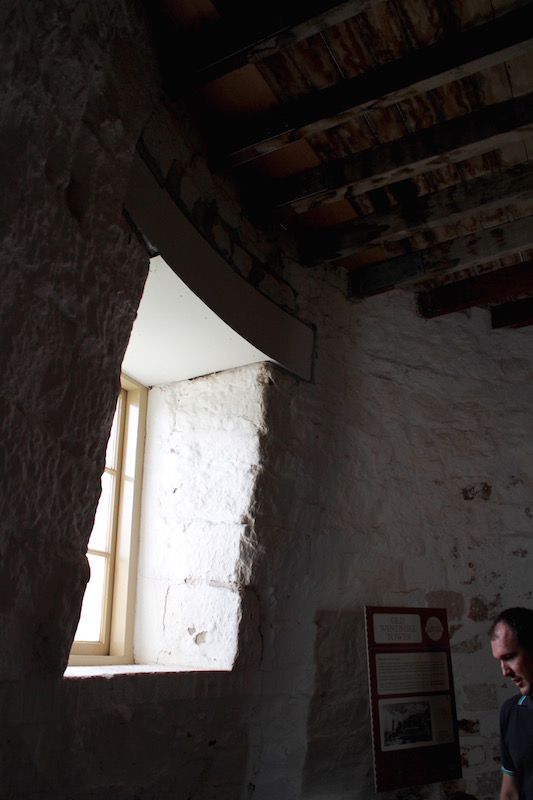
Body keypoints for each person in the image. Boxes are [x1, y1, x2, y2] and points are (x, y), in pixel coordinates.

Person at [489, 607, 533, 800]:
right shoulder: (511, 712)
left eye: (509, 657)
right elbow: (509, 791)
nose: (504, 672)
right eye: (500, 661)